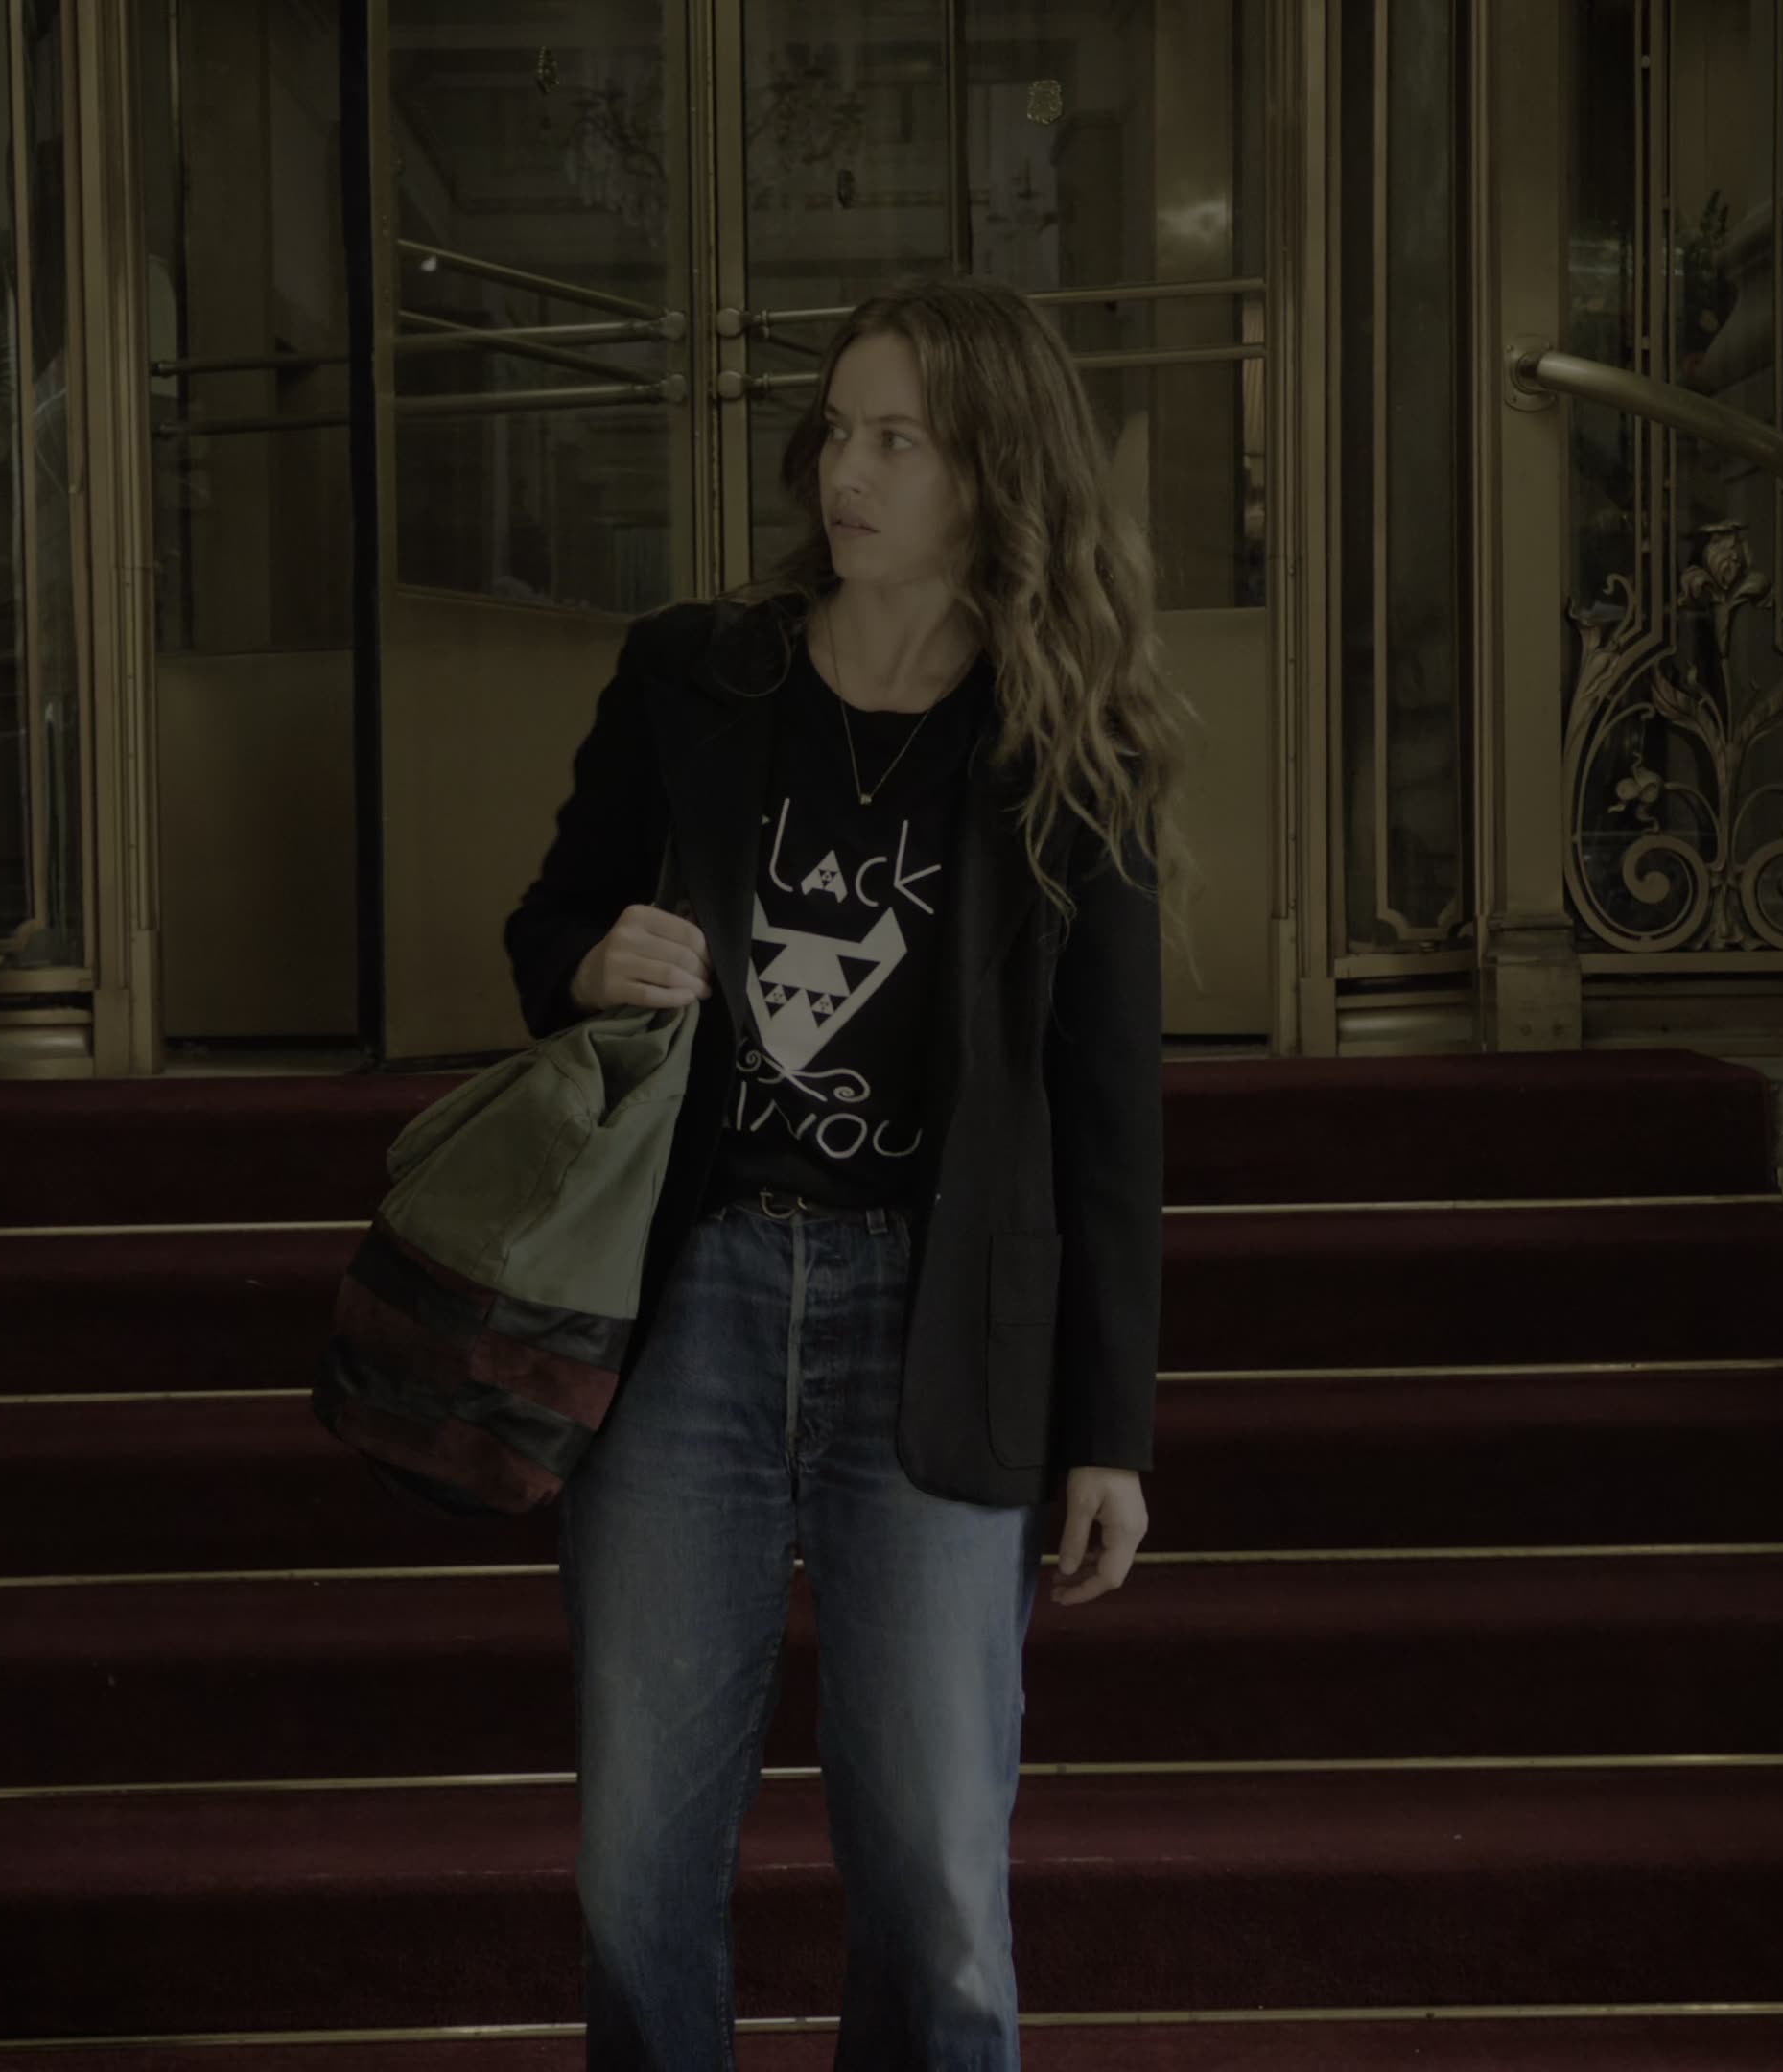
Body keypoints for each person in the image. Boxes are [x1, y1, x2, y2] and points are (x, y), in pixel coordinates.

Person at [503, 275, 1180, 2069]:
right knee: (637, 1861)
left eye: (900, 441)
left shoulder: (1068, 742)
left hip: (938, 1318)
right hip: (693, 1297)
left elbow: (1109, 1115)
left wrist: (1108, 1427)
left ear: (998, 472)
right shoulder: (692, 678)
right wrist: (594, 962)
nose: (845, 474)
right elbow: (548, 924)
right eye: (838, 433)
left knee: (940, 1879)